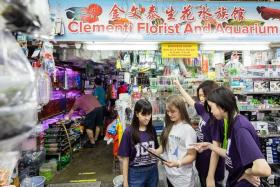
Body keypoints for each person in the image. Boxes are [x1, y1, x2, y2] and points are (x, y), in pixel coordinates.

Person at [192, 87, 271, 187]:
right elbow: (232, 154)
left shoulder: (240, 128)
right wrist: (209, 146)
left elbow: (264, 169)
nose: (211, 111)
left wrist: (247, 172)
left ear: (222, 106)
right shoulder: (232, 123)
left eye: (212, 107)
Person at [173, 79, 225, 187]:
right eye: (200, 95)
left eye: (204, 95)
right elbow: (190, 101)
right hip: (202, 164)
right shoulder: (204, 109)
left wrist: (210, 176)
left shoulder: (216, 117)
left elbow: (216, 149)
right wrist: (179, 86)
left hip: (212, 170)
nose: (201, 98)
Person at [151, 95, 197, 187]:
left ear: (181, 110)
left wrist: (178, 163)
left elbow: (192, 155)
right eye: (168, 111)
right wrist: (155, 152)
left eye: (173, 111)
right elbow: (164, 146)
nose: (170, 114)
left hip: (183, 179)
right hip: (170, 175)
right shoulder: (169, 126)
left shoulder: (187, 129)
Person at [118, 99, 159, 187]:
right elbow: (125, 159)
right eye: (144, 114)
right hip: (135, 173)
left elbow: (157, 151)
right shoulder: (129, 132)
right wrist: (125, 183)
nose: (147, 117)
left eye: (149, 114)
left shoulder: (152, 129)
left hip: (153, 172)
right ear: (136, 114)